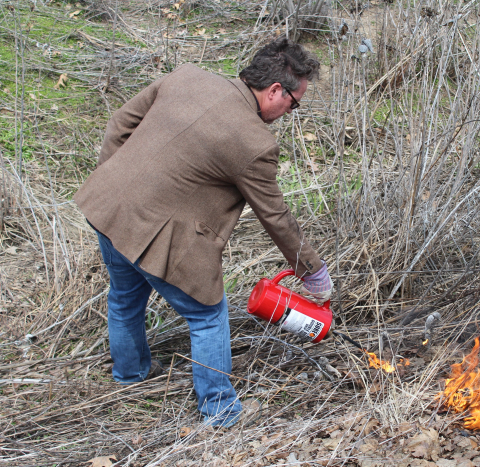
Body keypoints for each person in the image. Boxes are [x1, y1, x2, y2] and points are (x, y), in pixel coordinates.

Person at [74, 38, 334, 427]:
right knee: (209, 316)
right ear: (275, 90)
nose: (289, 112)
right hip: (154, 231)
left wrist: (113, 180)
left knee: (125, 297)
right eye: (293, 104)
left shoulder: (186, 77)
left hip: (107, 209)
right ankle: (221, 412)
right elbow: (275, 217)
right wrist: (311, 270)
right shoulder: (254, 142)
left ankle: (130, 376)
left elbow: (119, 125)